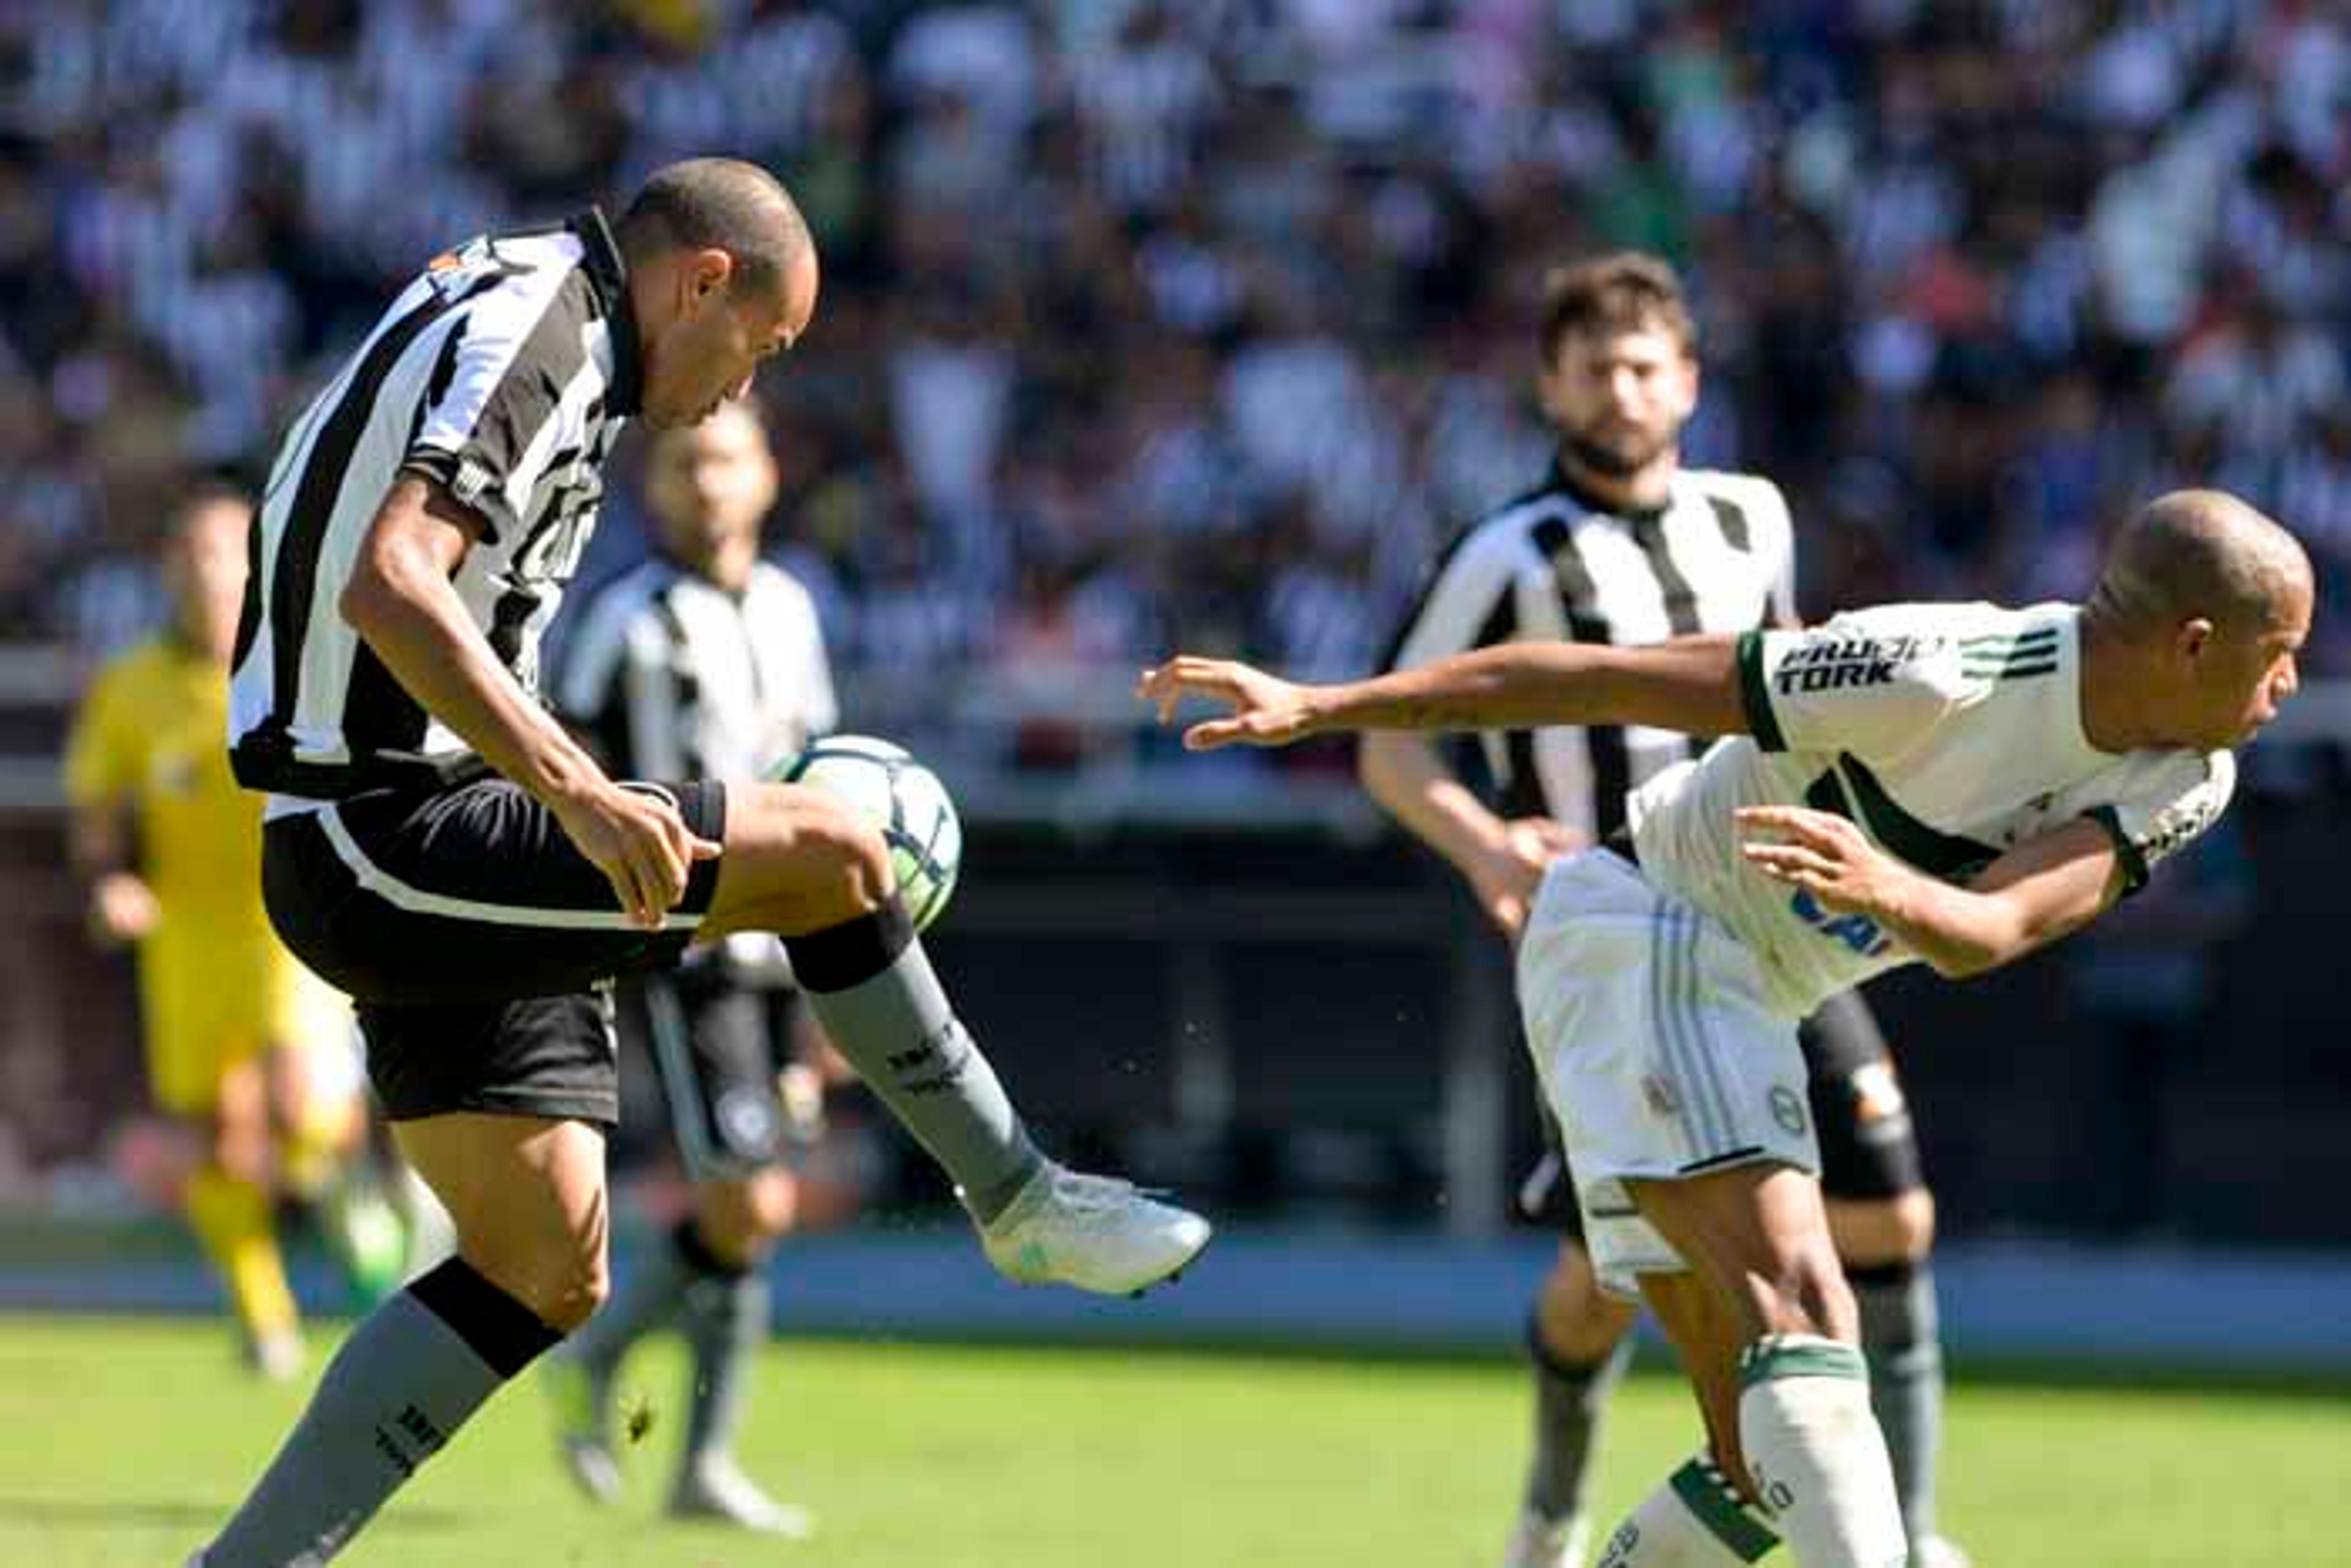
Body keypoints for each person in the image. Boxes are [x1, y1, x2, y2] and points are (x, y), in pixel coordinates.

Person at [190, 157, 1208, 1568]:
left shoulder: (543, 316)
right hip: (386, 825)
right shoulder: (538, 325)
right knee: (841, 854)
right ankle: (1021, 1197)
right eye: (760, 347)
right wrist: (578, 785)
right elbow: (393, 579)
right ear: (704, 281)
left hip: (409, 828)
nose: (743, 386)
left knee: (544, 1265)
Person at [1146, 488, 2310, 1566]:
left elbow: (1991, 930)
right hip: (1641, 925)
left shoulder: (2187, 777)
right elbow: (1607, 675)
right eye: (2282, 654)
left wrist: (1892, 888)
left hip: (1746, 989)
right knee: (1808, 1316)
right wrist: (1329, 705)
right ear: (2194, 643)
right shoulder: (1932, 668)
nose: (2292, 686)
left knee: (1762, 1463)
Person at [1362, 253, 1962, 1567]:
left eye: (1645, 367)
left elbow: (1798, 693)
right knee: (1610, 1286)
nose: (1622, 391)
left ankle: (1908, 1534)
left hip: (1777, 926)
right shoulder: (1504, 555)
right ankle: (1549, 1519)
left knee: (1891, 1223)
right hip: (1618, 946)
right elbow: (1393, 741)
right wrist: (1485, 850)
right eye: (1595, 369)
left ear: (1686, 381)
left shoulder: (1751, 518)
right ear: (1551, 387)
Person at [539, 399, 838, 1536]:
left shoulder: (796, 610)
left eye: (725, 458)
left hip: (783, 948)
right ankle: (658, 1417)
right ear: (652, 486)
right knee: (748, 1195)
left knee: (753, 1209)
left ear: (767, 474)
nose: (706, 482)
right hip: (687, 949)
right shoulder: (625, 620)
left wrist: (830, 979)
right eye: (683, 463)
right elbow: (565, 772)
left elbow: (820, 779)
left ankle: (650, 1416)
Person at [64, 487, 408, 1383]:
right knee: (224, 1138)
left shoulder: (295, 659)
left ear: (252, 565)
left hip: (287, 916)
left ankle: (353, 1213)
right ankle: (265, 1315)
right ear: (166, 571)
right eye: (187, 553)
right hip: (189, 933)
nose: (204, 570)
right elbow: (98, 811)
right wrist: (113, 883)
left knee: (299, 1103)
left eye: (222, 552)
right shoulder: (131, 685)